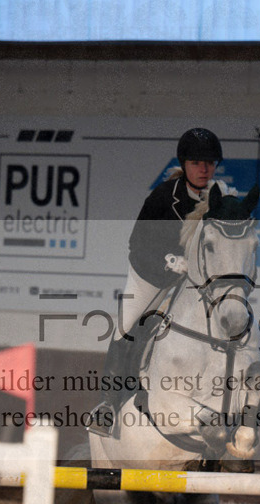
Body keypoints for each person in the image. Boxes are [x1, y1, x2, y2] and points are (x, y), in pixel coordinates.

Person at [88, 128, 231, 436]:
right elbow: (137, 243)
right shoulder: (163, 196)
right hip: (152, 276)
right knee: (125, 328)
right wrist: (169, 262)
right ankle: (108, 406)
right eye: (196, 162)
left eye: (210, 163)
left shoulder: (222, 195)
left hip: (197, 281)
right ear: (185, 164)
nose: (204, 169)